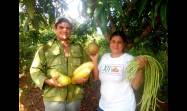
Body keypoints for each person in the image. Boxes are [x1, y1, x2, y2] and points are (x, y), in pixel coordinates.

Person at [30, 17, 90, 111]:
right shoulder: (45, 48)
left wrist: (84, 78)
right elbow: (35, 70)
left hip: (74, 97)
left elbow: (87, 66)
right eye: (61, 27)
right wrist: (48, 81)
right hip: (53, 98)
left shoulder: (79, 48)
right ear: (55, 29)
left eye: (68, 28)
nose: (64, 30)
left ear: (71, 30)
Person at [89, 31, 147, 111]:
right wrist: (94, 60)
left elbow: (136, 85)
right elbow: (96, 77)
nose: (116, 45)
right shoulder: (105, 57)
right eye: (113, 41)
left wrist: (140, 69)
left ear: (123, 44)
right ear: (110, 43)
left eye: (119, 42)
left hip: (123, 107)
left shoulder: (129, 59)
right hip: (103, 106)